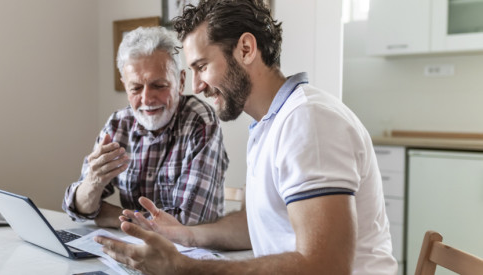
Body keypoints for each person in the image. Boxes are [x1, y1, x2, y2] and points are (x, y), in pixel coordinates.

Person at [95, 0, 398, 274]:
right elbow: (256, 223)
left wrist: (184, 268)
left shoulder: (308, 121)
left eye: (202, 66)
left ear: (246, 49)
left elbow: (326, 265)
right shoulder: (269, 124)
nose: (197, 86)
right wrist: (186, 235)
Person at [62, 26, 229, 229]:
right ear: (125, 86)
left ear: (181, 81)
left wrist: (109, 215)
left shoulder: (201, 123)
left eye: (159, 86)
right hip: (133, 247)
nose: (147, 99)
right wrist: (93, 182)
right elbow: (77, 209)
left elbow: (187, 224)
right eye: (136, 88)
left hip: (191, 255)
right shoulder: (118, 124)